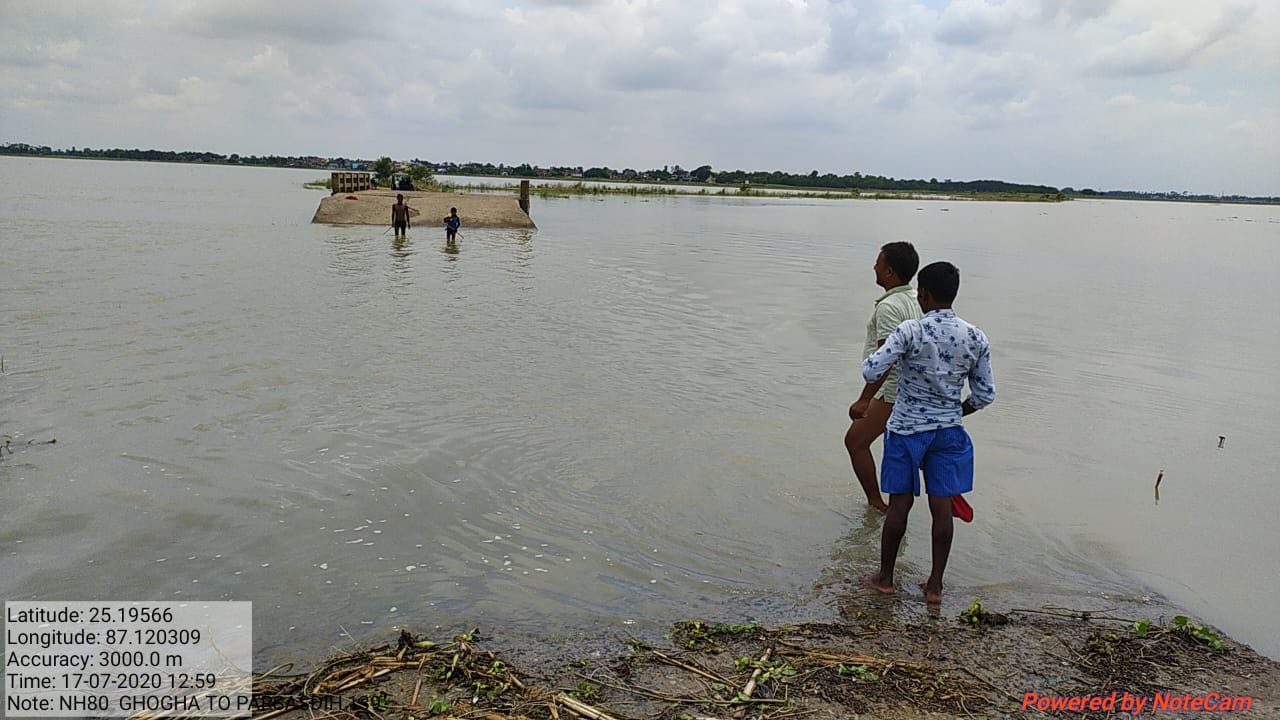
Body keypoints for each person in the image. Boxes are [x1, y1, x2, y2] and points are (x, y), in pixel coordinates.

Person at [858, 261, 995, 604]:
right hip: (948, 432)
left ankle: (885, 579)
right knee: (942, 507)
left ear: (923, 294)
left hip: (906, 430)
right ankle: (935, 586)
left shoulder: (911, 331)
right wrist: (956, 411)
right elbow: (984, 395)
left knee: (900, 503)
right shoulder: (975, 336)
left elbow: (872, 369)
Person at [845, 241, 922, 513]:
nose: (874, 267)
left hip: (890, 390)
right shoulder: (917, 298)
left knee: (855, 442)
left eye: (878, 263)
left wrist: (864, 399)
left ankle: (877, 505)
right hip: (912, 388)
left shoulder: (889, 307)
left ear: (889, 272)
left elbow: (886, 357)